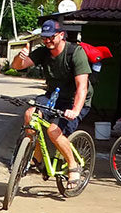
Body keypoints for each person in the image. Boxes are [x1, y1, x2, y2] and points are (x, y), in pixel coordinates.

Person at [10, 19, 92, 183]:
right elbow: (17, 66)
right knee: (30, 115)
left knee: (54, 130)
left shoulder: (75, 53)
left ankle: (73, 165)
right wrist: (20, 57)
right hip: (53, 96)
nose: (47, 41)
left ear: (61, 35)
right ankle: (39, 161)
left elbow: (81, 86)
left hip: (73, 99)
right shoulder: (43, 52)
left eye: (51, 37)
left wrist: (75, 110)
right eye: (44, 37)